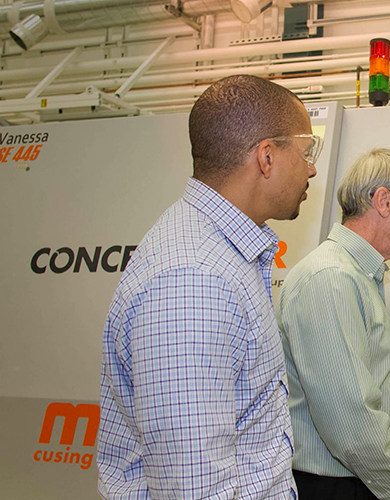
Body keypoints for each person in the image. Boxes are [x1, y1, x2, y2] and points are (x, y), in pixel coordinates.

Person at [97, 74, 321, 499]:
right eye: (307, 152)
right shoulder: (194, 280)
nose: (311, 168)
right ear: (267, 157)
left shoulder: (221, 256)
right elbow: (194, 489)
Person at [278, 148, 390, 500]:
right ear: (383, 201)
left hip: (357, 482)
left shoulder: (357, 276)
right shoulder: (331, 278)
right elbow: (352, 423)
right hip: (338, 486)